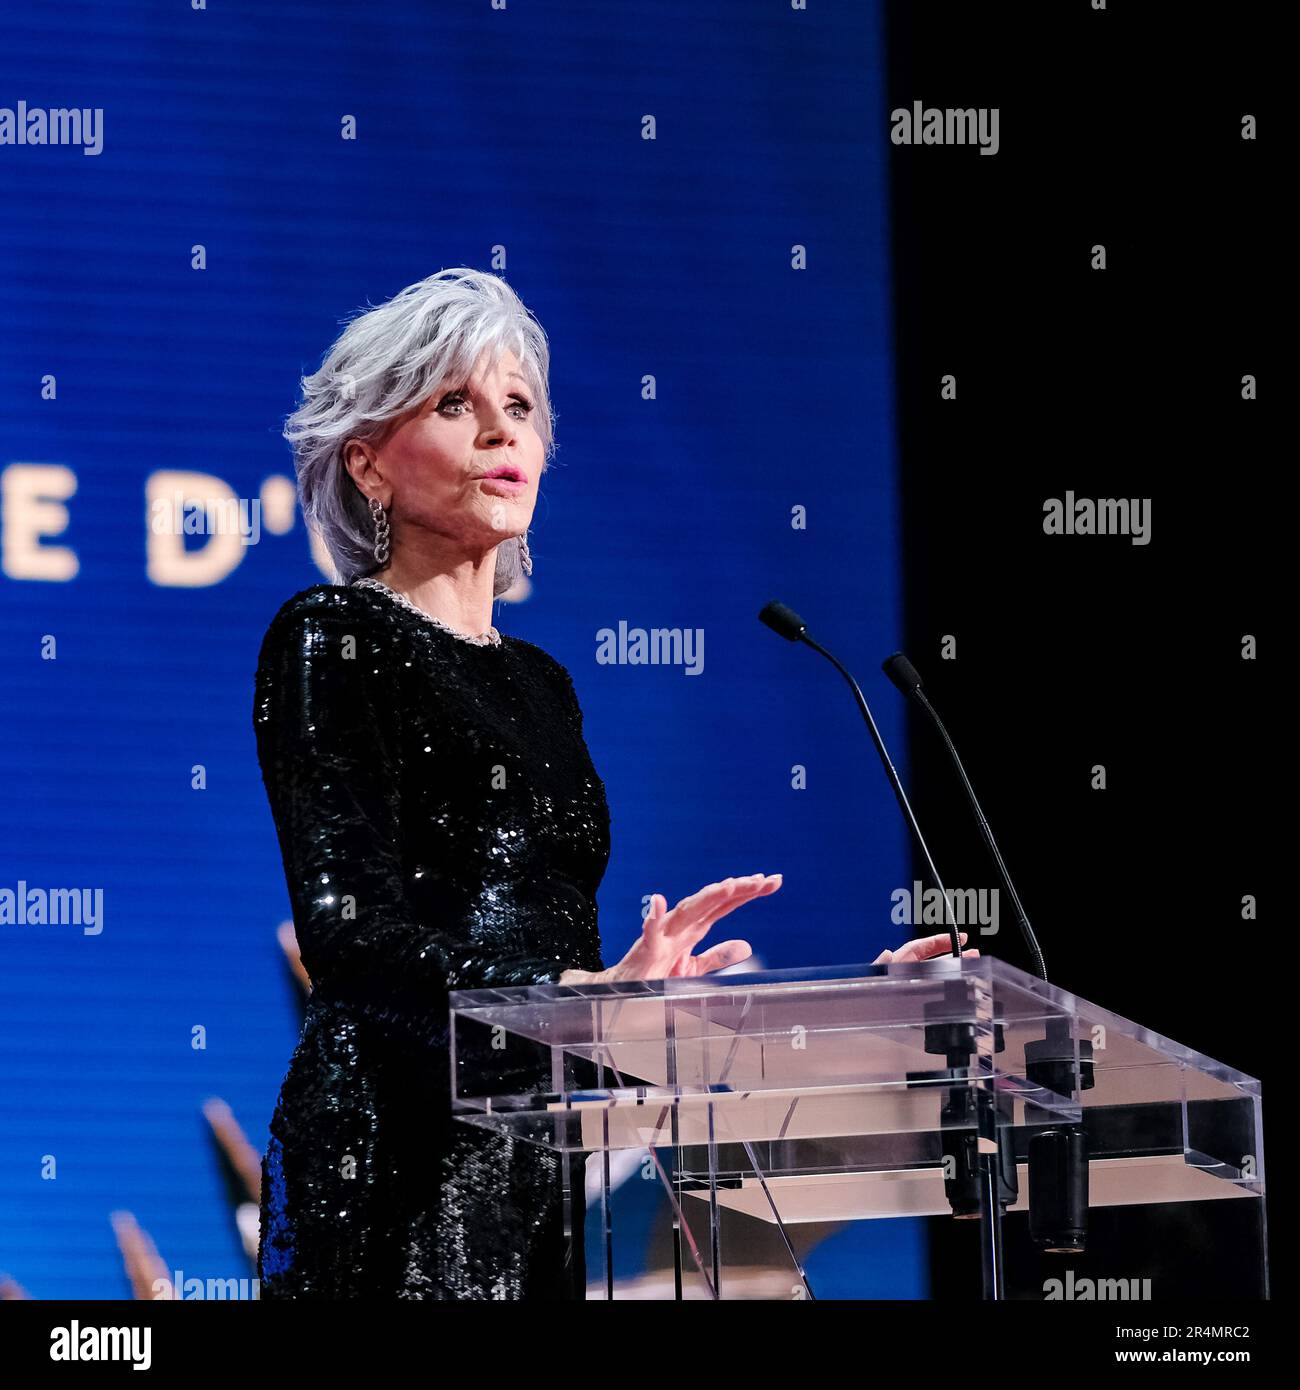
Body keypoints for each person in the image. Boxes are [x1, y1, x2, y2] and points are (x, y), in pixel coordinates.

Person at [253, 267, 971, 1299]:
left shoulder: (544, 687)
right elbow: (349, 936)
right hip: (388, 1155)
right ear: (368, 463)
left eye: (520, 407)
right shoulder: (331, 634)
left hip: (528, 1165)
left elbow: (572, 989)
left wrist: (840, 1013)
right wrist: (559, 1003)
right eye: (455, 404)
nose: (501, 433)